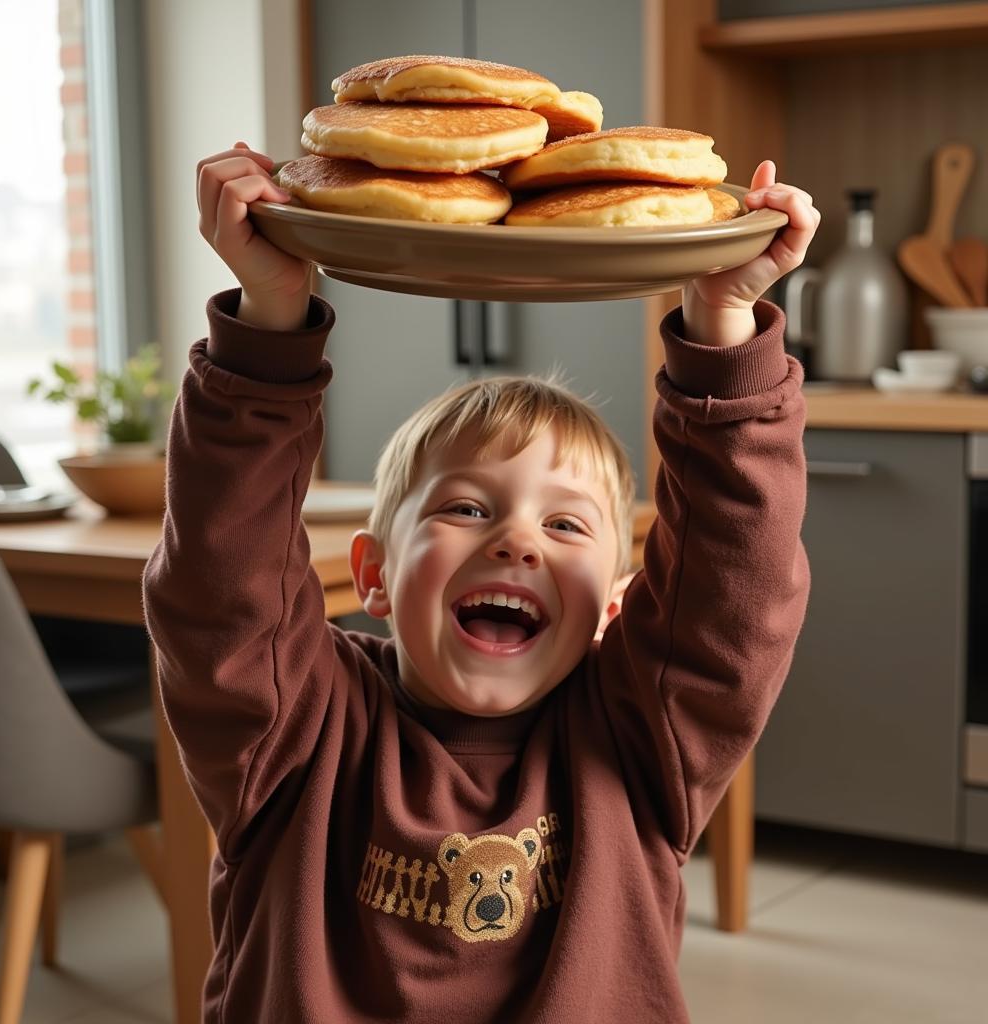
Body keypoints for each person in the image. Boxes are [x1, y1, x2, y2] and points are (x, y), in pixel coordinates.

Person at [143, 140, 820, 1023]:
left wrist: (724, 323)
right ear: (375, 574)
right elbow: (221, 579)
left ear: (616, 605)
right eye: (465, 510)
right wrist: (270, 316)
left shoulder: (640, 734)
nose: (516, 542)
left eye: (566, 523)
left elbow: (737, 586)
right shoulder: (293, 726)